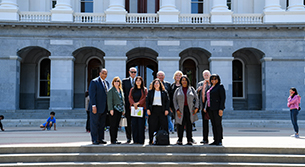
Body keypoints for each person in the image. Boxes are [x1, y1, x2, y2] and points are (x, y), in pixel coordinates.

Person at [173, 75, 199, 145]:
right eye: (182, 80)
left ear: (187, 81)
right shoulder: (178, 90)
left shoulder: (192, 89)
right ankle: (180, 139)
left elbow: (197, 99)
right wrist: (177, 109)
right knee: (180, 125)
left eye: (185, 80)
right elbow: (174, 100)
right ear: (181, 81)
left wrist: (196, 108)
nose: (184, 81)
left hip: (190, 110)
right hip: (180, 110)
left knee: (189, 125)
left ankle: (189, 140)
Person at [146, 78, 170, 145]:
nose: (156, 84)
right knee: (152, 125)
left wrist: (166, 109)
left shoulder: (164, 92)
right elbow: (147, 101)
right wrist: (148, 109)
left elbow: (167, 101)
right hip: (153, 110)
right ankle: (151, 140)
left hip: (162, 110)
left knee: (164, 125)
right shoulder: (150, 92)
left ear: (160, 84)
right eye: (155, 83)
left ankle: (165, 139)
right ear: (153, 84)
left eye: (157, 83)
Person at [89, 68, 109, 145]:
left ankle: (100, 138)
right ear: (100, 73)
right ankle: (94, 139)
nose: (104, 75)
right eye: (103, 73)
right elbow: (92, 95)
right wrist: (93, 105)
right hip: (96, 107)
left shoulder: (106, 83)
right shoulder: (94, 82)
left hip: (104, 107)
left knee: (102, 124)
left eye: (106, 73)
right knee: (94, 124)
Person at [204, 74, 226, 146]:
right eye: (212, 79)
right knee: (213, 124)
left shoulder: (220, 87)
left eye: (215, 79)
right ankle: (215, 139)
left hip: (217, 108)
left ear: (218, 79)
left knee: (218, 124)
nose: (214, 80)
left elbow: (222, 98)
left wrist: (221, 109)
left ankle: (219, 140)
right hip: (210, 108)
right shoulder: (210, 87)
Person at [128, 76, 148, 144]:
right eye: (137, 80)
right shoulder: (132, 89)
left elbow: (145, 98)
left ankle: (141, 140)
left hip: (141, 109)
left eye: (140, 80)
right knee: (134, 124)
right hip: (134, 109)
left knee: (141, 124)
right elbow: (130, 97)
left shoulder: (144, 89)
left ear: (142, 82)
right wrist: (134, 104)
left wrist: (138, 103)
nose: (138, 82)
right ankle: (135, 140)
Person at [107, 77, 125, 144]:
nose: (116, 82)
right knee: (113, 125)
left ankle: (116, 139)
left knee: (117, 125)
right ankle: (112, 140)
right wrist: (111, 109)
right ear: (113, 82)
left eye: (118, 81)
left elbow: (122, 101)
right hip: (114, 110)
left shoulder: (121, 90)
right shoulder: (111, 90)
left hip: (120, 110)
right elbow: (109, 101)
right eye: (115, 81)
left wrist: (123, 110)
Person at [122, 67, 137, 144]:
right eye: (132, 72)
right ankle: (128, 137)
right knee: (128, 122)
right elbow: (123, 93)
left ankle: (135, 137)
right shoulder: (125, 81)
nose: (133, 73)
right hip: (128, 105)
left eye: (135, 72)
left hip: (137, 106)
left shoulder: (138, 81)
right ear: (129, 72)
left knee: (135, 122)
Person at [196, 70, 211, 144]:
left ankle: (217, 139)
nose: (206, 76)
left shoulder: (212, 83)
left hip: (210, 106)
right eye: (204, 75)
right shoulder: (200, 84)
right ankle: (205, 139)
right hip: (202, 106)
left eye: (207, 74)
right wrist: (197, 90)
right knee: (205, 124)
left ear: (210, 75)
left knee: (214, 123)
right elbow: (196, 95)